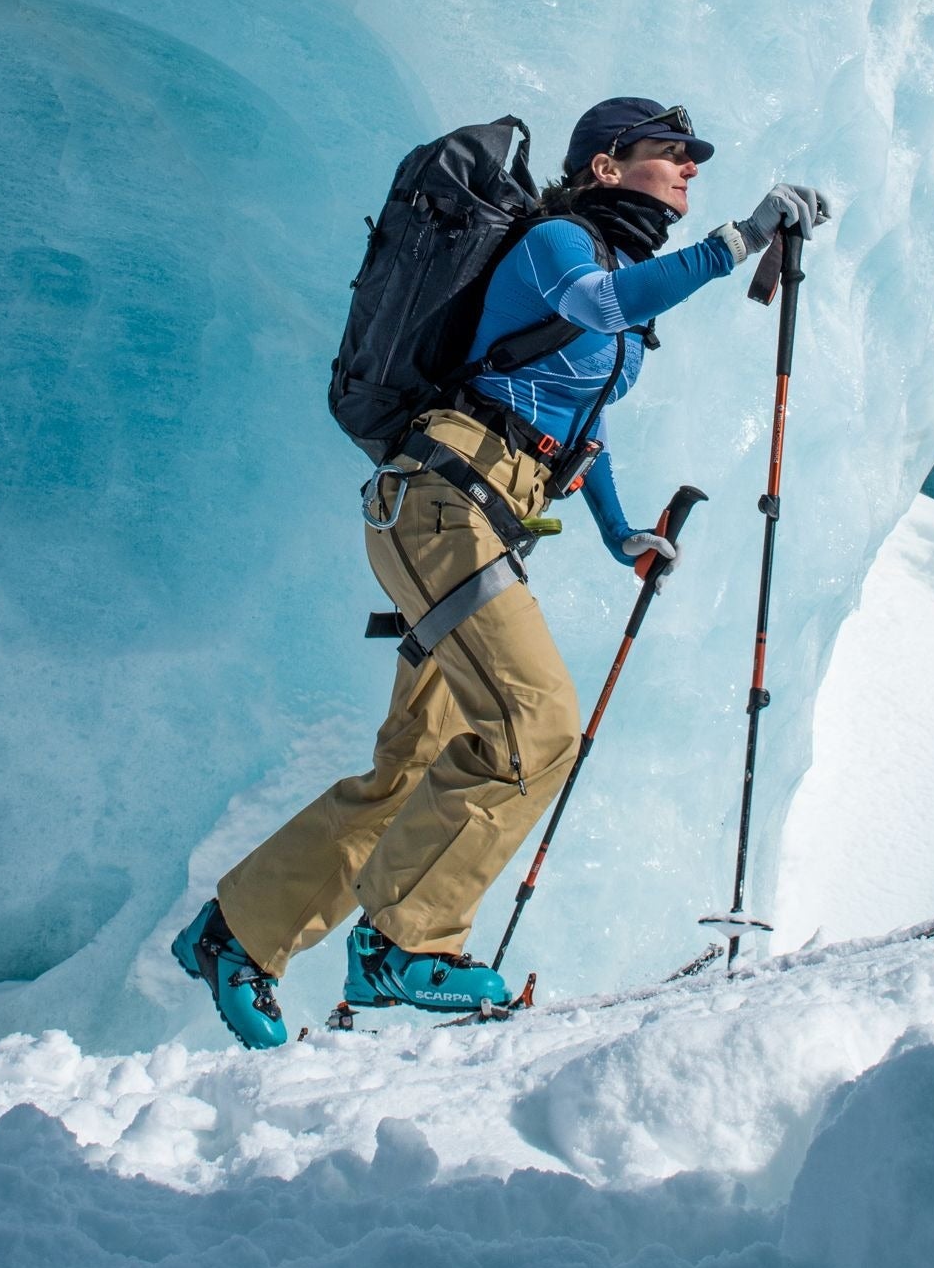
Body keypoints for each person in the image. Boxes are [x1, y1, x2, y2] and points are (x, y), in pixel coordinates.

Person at [172, 97, 825, 1047]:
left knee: (418, 764)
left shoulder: (615, 272)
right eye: (669, 154)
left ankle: (239, 935)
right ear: (605, 166)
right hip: (443, 507)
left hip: (463, 516)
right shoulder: (559, 242)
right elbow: (600, 309)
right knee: (535, 726)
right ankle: (407, 944)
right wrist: (740, 239)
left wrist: (618, 534)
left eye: (694, 160)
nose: (688, 169)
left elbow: (578, 432)